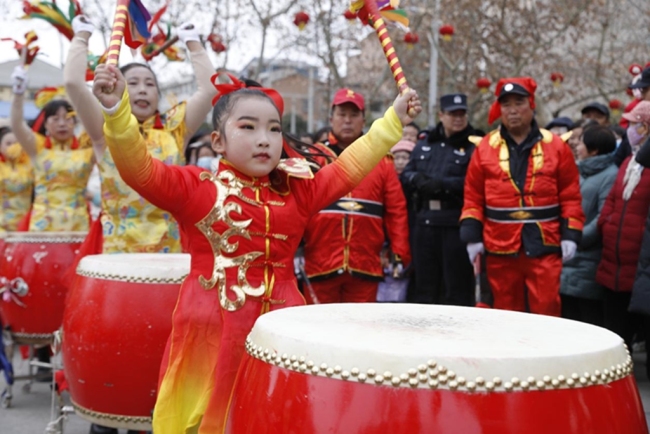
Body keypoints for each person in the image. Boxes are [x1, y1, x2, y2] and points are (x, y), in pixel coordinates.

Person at [92, 63, 421, 432]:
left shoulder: (299, 190)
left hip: (282, 333)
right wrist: (116, 113)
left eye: (274, 129)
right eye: (248, 127)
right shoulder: (198, 189)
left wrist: (392, 119)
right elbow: (139, 169)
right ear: (218, 142)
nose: (264, 139)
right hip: (211, 335)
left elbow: (349, 167)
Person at [64, 16, 216, 254]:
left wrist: (194, 43)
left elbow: (210, 91)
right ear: (118, 87)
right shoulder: (104, 130)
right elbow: (73, 83)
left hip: (172, 258)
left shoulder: (174, 131)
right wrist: (82, 35)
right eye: (133, 83)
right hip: (115, 261)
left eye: (150, 84)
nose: (143, 89)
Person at [461, 77, 584, 316]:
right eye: (506, 105)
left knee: (547, 310)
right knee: (505, 314)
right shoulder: (485, 147)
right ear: (499, 109)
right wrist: (471, 237)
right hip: (499, 245)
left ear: (532, 105)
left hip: (544, 243)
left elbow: (570, 196)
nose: (513, 110)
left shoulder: (557, 146)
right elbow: (473, 197)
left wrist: (571, 235)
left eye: (519, 102)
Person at [302, 88, 411, 303]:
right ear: (331, 118)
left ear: (364, 119)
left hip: (366, 261)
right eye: (342, 115)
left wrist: (399, 252)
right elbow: (296, 206)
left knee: (360, 330)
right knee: (316, 328)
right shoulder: (313, 157)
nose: (348, 121)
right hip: (319, 260)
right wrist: (294, 250)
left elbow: (396, 210)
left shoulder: (382, 161)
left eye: (354, 115)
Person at [401, 93, 483, 306]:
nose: (458, 118)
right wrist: (418, 179)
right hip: (424, 224)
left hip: (454, 224)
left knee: (456, 290)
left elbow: (475, 183)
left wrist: (443, 185)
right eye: (452, 114)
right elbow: (406, 174)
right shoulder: (426, 143)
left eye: (462, 114)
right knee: (424, 289)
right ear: (441, 115)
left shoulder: (474, 146)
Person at [597, 101, 650, 349]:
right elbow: (612, 200)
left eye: (634, 124)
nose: (629, 129)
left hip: (638, 262)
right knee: (614, 334)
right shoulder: (628, 162)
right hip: (613, 260)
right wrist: (605, 224)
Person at [10, 77, 93, 232]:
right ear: (46, 124)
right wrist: (18, 92)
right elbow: (16, 124)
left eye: (68, 119)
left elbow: (100, 123)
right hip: (42, 227)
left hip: (78, 226)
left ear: (75, 122)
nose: (62, 123)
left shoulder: (87, 149)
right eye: (55, 119)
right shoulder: (37, 148)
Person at [559, 125, 617, 326]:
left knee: (587, 323)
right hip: (568, 260)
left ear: (594, 149)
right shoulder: (579, 171)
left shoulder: (610, 176)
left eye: (581, 142)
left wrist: (575, 238)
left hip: (588, 260)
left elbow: (603, 217)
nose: (576, 146)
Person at [0, 127, 33, 232]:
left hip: (25, 222)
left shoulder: (30, 166)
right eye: (8, 144)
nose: (13, 147)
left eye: (16, 143)